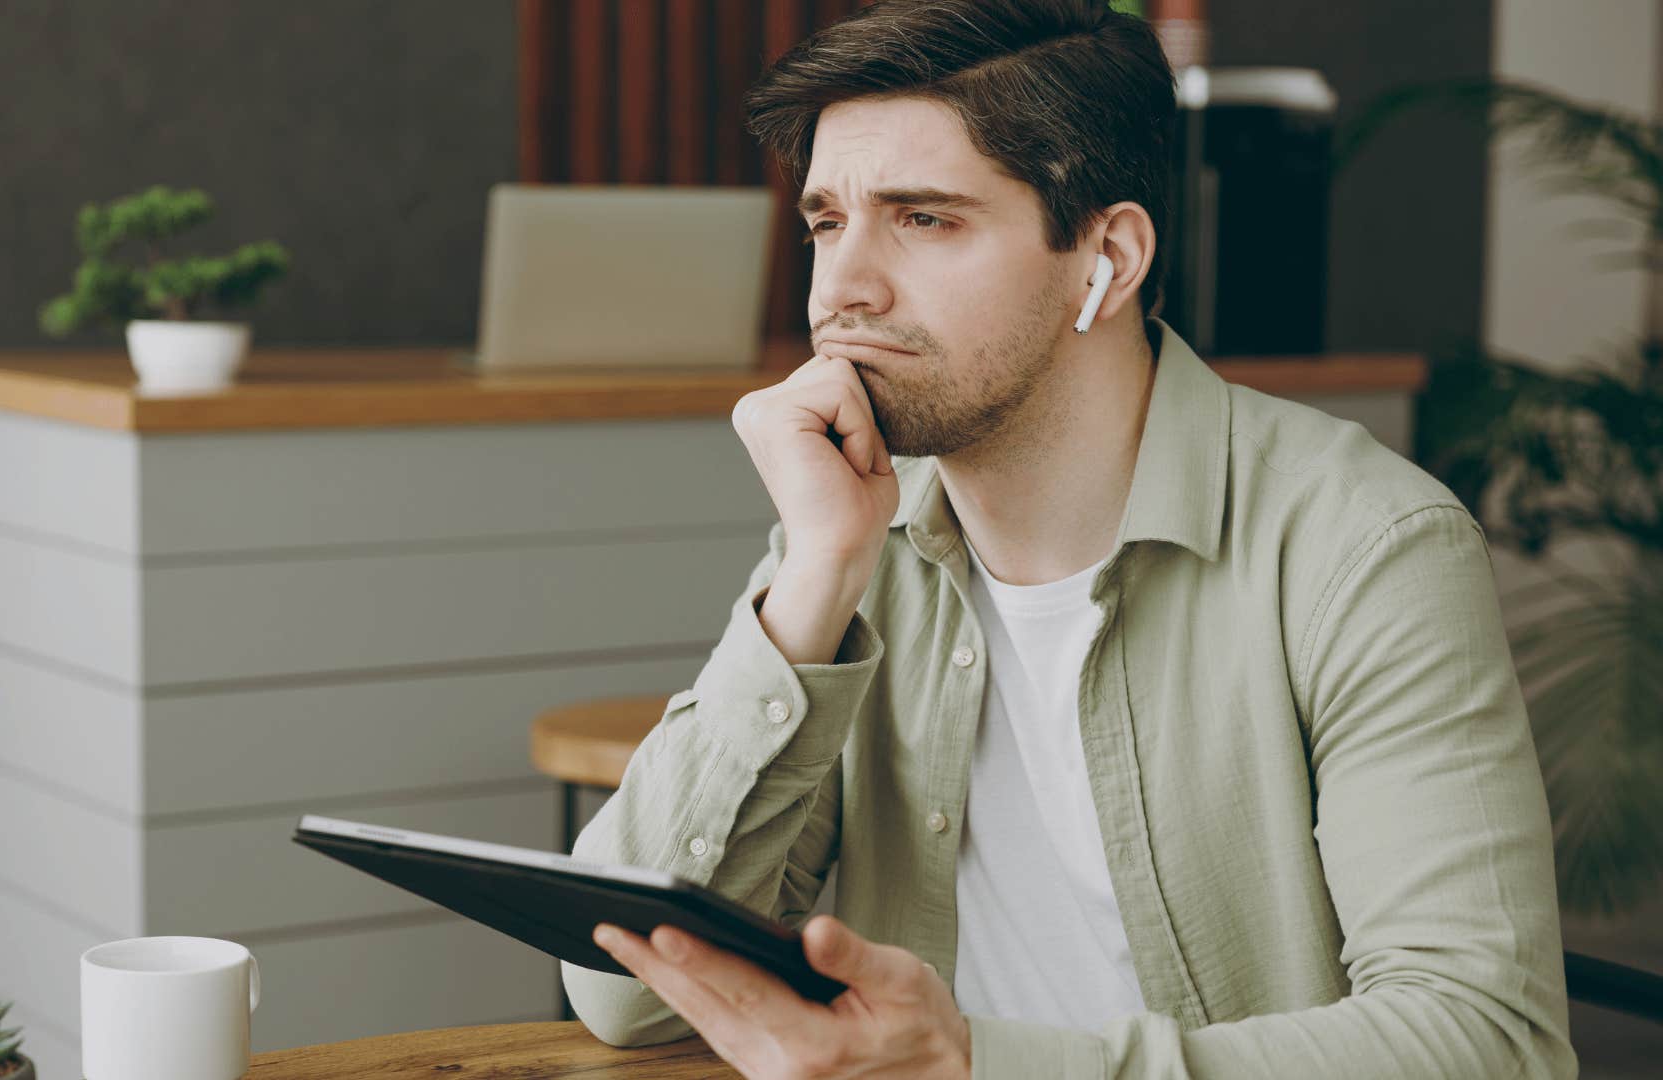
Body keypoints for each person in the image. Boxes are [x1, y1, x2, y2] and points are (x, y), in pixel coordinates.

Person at [562, 1, 1577, 1076]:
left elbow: (1489, 1043)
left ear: (1107, 258)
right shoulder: (855, 538)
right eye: (825, 221)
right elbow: (621, 992)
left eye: (924, 220)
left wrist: (976, 1064)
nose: (841, 288)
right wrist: (811, 582)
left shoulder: (1365, 549)